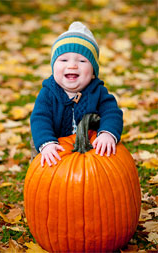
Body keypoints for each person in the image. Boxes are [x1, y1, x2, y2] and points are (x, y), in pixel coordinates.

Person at [30, 21, 123, 167]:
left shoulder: (98, 91)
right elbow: (40, 118)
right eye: (64, 60)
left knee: (108, 159)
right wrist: (46, 143)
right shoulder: (48, 93)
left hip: (92, 150)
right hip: (56, 150)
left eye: (82, 60)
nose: (72, 65)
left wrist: (107, 133)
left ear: (93, 72)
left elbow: (112, 113)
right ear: (53, 67)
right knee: (45, 165)